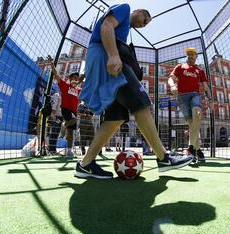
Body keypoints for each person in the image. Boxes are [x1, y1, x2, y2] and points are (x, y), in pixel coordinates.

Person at [76, 3, 193, 179]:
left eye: (146, 24)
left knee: (115, 118)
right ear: (137, 11)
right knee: (142, 104)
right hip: (110, 60)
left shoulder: (125, 29)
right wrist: (114, 55)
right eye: (144, 19)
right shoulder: (124, 8)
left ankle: (85, 164)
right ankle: (164, 158)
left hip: (102, 61)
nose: (143, 24)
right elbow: (106, 26)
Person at [168, 47, 209, 162]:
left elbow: (205, 86)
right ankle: (198, 150)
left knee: (197, 113)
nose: (190, 56)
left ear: (196, 56)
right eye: (188, 54)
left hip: (195, 95)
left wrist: (210, 98)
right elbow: (171, 79)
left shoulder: (200, 71)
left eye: (192, 54)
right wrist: (172, 85)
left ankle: (190, 148)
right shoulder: (180, 67)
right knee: (192, 124)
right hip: (182, 97)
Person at [47, 55, 84, 157]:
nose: (75, 80)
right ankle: (63, 125)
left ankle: (69, 150)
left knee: (71, 132)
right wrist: (51, 63)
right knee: (72, 121)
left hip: (74, 111)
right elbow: (56, 74)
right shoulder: (64, 85)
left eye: (77, 78)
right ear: (70, 79)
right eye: (74, 78)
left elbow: (83, 83)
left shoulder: (79, 90)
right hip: (65, 109)